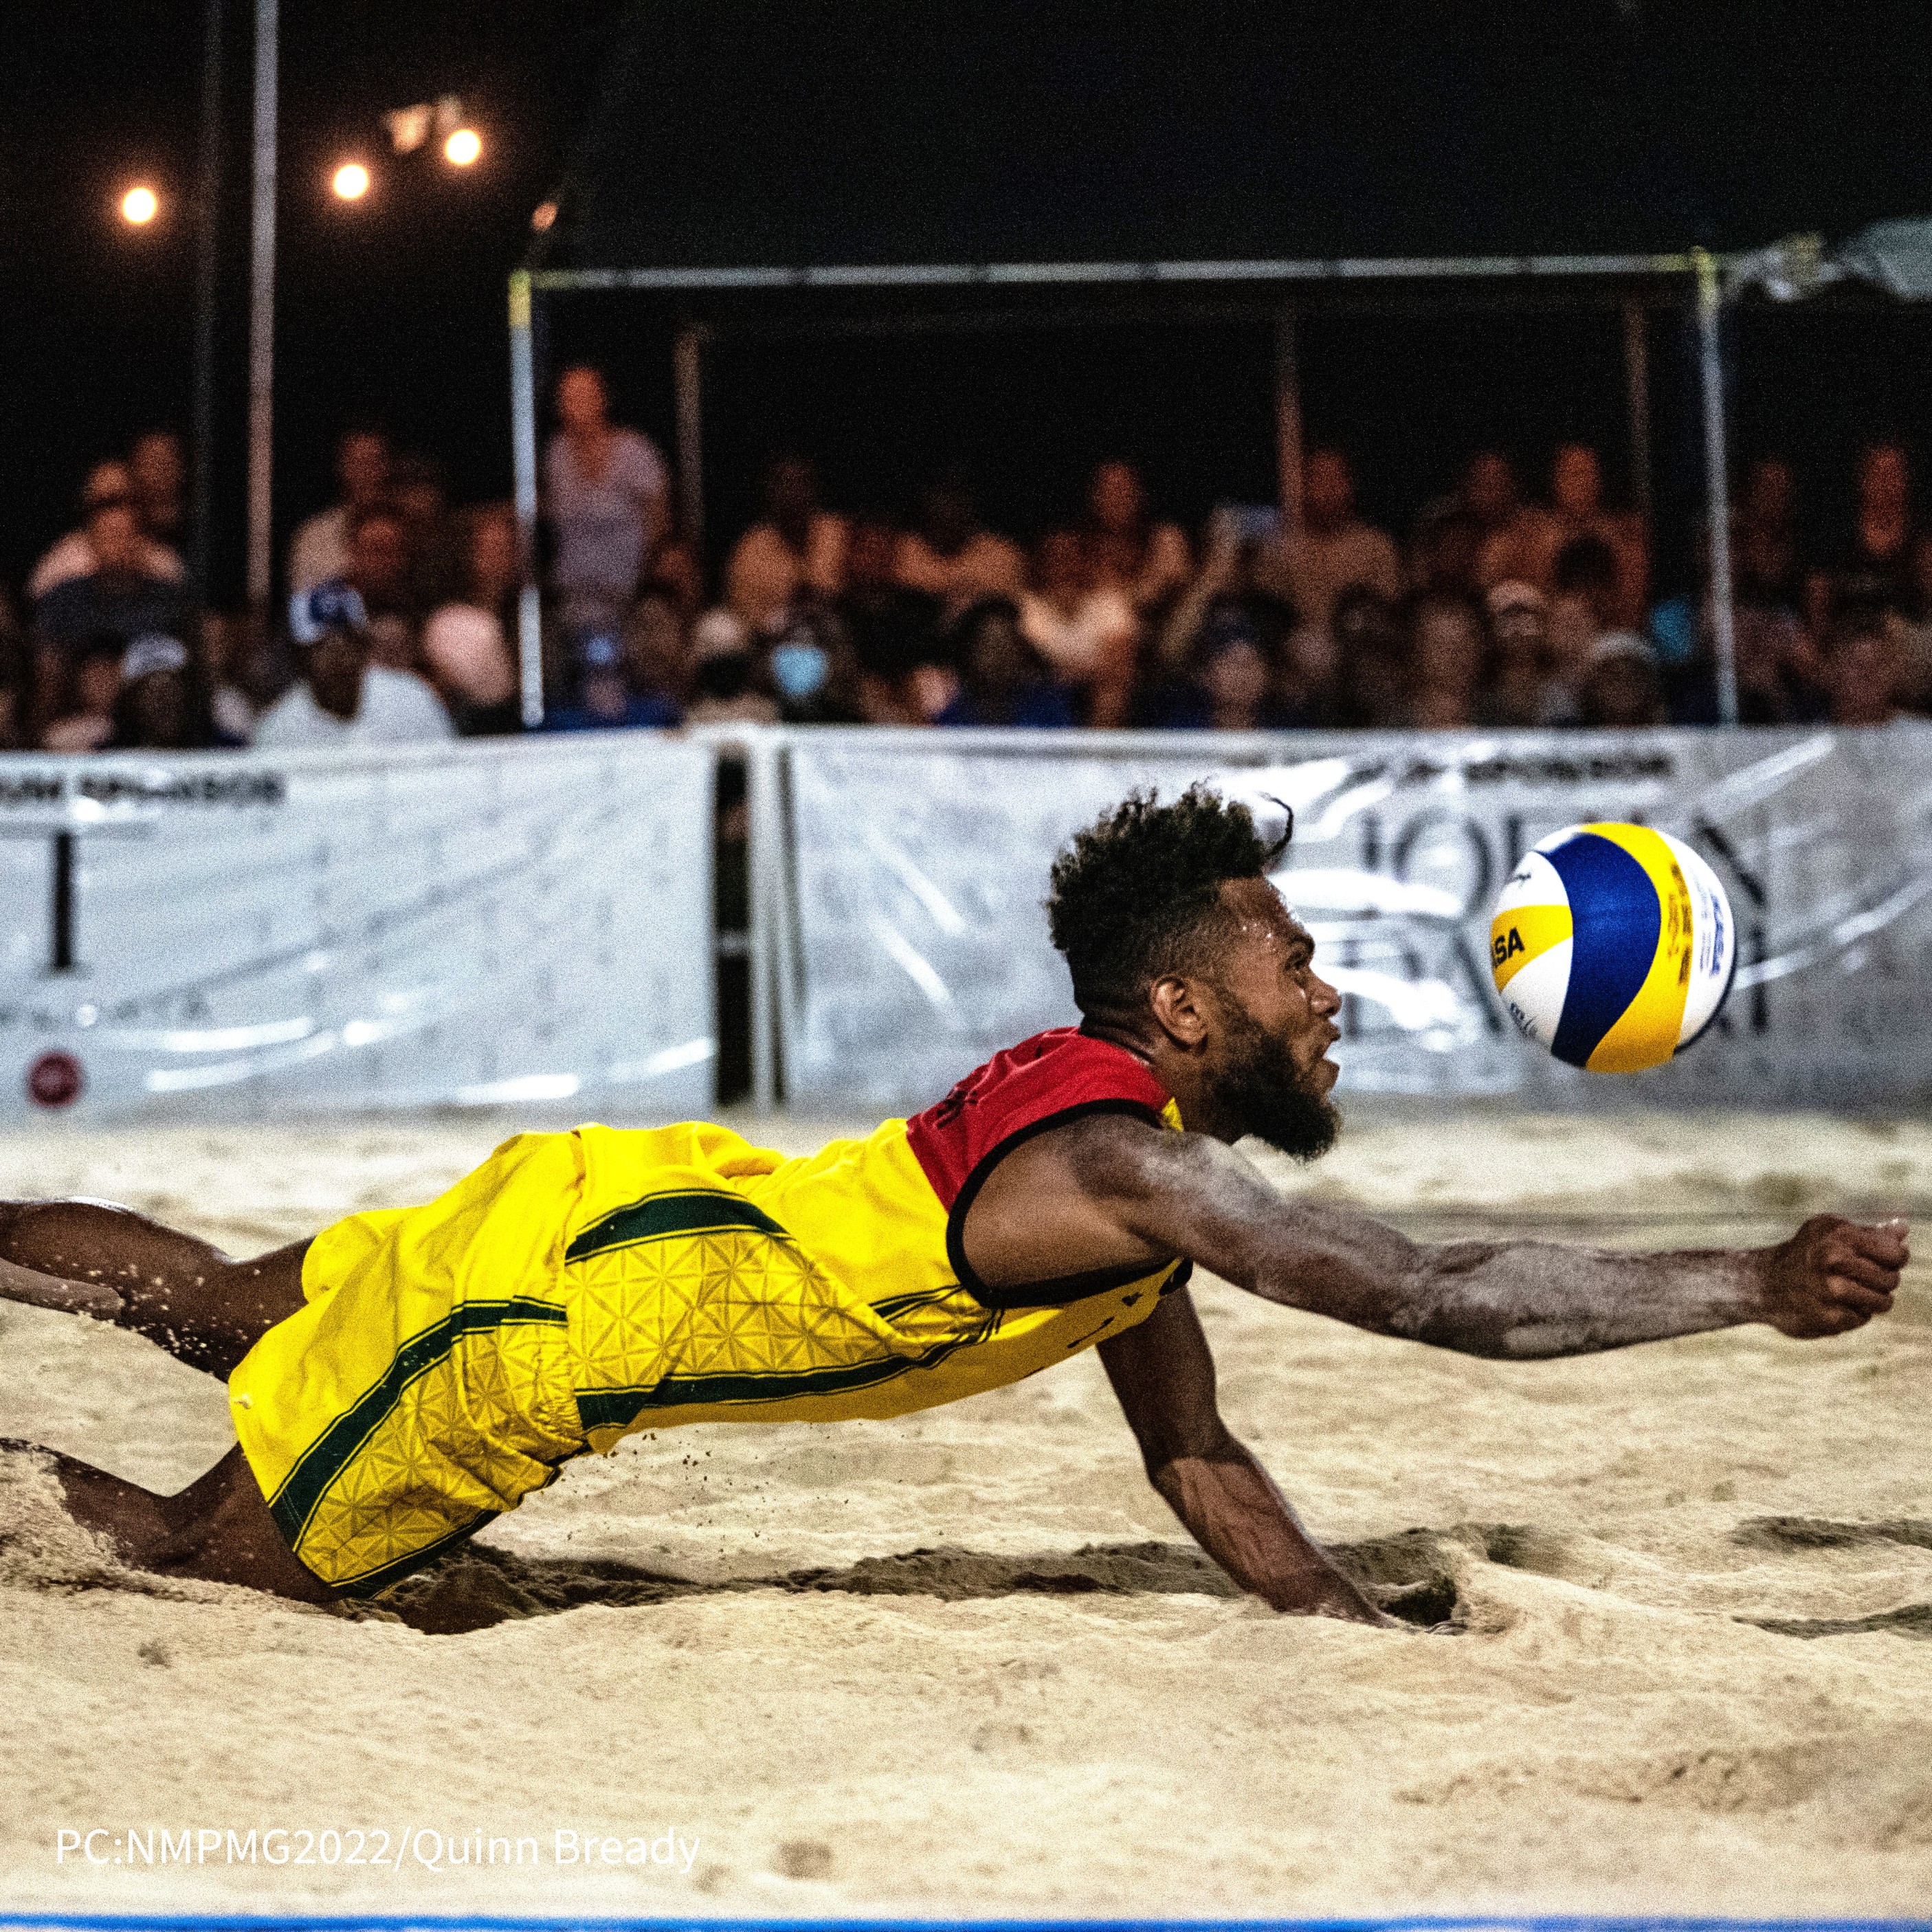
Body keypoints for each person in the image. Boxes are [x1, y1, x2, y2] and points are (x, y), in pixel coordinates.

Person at [0, 788, 1907, 1613]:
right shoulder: (1127, 1164)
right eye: (1292, 963)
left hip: (603, 1205)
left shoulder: (1114, 1176)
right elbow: (1436, 1291)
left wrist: (1336, 1611)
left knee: (229, 1309)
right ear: (1175, 1009)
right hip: (548, 1323)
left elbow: (1196, 1457)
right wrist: (1744, 1272)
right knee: (194, 1556)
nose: (1326, 992)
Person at [31, 496, 197, 737]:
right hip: (82, 719)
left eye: (125, 536)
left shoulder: (169, 599)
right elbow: (49, 677)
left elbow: (183, 670)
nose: (116, 546)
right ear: (91, 543)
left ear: (141, 542)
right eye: (108, 536)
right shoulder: (64, 599)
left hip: (153, 719)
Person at [543, 365, 667, 642]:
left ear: (603, 399)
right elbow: (549, 514)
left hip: (627, 595)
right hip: (571, 597)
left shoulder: (635, 451)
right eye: (567, 396)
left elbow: (660, 520)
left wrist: (642, 578)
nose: (575, 403)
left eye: (583, 394)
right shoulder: (556, 455)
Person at [252, 586, 453, 748]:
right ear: (302, 655)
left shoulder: (412, 698)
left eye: (347, 640)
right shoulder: (278, 729)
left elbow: (449, 781)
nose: (338, 655)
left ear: (364, 647)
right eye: (323, 644)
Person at [1256, 449, 1402, 637]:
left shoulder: (1374, 547)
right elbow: (1266, 609)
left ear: (1350, 486)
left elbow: (1388, 609)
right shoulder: (1279, 546)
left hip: (1356, 647)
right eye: (1318, 479)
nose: (1326, 490)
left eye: (1334, 479)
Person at [1019, 529, 1138, 726]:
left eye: (1071, 557)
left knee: (1112, 693)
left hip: (1096, 691)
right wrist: (1086, 670)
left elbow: (1119, 664)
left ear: (1084, 561)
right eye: (1056, 557)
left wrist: (1072, 672)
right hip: (1044, 691)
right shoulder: (1028, 607)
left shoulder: (1109, 601)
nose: (1064, 566)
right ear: (1041, 563)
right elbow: (1034, 666)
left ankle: (1095, 755)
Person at [726, 454, 847, 636]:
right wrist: (791, 608)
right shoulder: (751, 547)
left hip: (836, 631)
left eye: (801, 484)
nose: (794, 494)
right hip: (776, 637)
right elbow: (745, 613)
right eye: (786, 485)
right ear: (770, 494)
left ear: (815, 490)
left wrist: (824, 599)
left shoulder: (839, 533)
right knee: (720, 630)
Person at [28, 461, 186, 599]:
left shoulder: (163, 561)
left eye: (122, 500)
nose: (113, 512)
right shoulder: (62, 559)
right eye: (104, 503)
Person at [894, 478, 1025, 623]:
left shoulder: (999, 553)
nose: (947, 513)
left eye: (954, 507)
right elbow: (909, 595)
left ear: (969, 513)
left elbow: (1004, 603)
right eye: (939, 514)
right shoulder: (908, 548)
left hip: (976, 631)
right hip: (924, 630)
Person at [935, 597, 1075, 728]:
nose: (1000, 656)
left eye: (1008, 645)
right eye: (991, 646)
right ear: (969, 653)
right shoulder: (952, 717)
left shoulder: (1048, 706)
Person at [1078, 459, 1192, 617]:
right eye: (1108, 491)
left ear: (1139, 494)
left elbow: (1182, 593)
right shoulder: (1082, 550)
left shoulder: (1165, 541)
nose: (1117, 500)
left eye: (1123, 490)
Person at [288, 426, 391, 597]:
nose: (365, 472)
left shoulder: (407, 529)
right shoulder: (314, 536)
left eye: (373, 462)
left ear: (387, 467)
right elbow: (304, 607)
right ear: (341, 468)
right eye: (357, 463)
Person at [542, 632, 681, 733]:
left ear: (624, 680)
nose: (605, 687)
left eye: (612, 676)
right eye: (597, 678)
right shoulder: (562, 725)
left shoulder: (655, 716)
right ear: (582, 686)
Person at [129, 429, 188, 553]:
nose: (159, 471)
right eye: (151, 462)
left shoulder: (196, 522)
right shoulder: (129, 523)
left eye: (165, 462)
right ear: (136, 469)